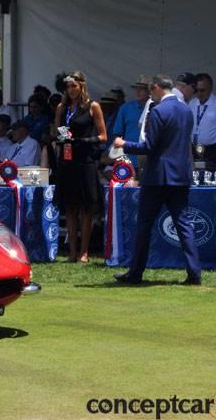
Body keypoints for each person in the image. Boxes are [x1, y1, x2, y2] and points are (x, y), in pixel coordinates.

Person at [114, 75, 201, 286]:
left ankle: (135, 273)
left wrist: (123, 143)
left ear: (156, 88)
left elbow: (149, 146)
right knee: (184, 224)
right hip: (180, 175)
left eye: (151, 91)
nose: (150, 94)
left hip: (157, 177)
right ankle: (194, 272)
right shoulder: (186, 111)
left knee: (144, 225)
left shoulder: (158, 111)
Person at [54, 71, 107, 264]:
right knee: (69, 207)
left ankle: (84, 251)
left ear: (82, 86)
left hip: (86, 161)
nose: (71, 90)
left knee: (86, 208)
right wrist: (63, 140)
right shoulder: (62, 107)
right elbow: (58, 132)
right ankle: (72, 251)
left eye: (74, 86)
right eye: (68, 86)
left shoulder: (92, 107)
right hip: (67, 161)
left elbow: (103, 136)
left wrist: (83, 141)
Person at [187, 73, 216, 171]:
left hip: (213, 151)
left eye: (202, 90)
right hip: (194, 149)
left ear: (210, 88)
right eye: (196, 90)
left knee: (212, 178)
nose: (199, 93)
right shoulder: (191, 104)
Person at [114, 76, 151, 167]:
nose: (138, 91)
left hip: (150, 160)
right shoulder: (125, 108)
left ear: (150, 91)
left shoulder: (157, 109)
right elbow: (117, 134)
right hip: (129, 160)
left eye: (142, 89)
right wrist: (120, 158)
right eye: (136, 89)